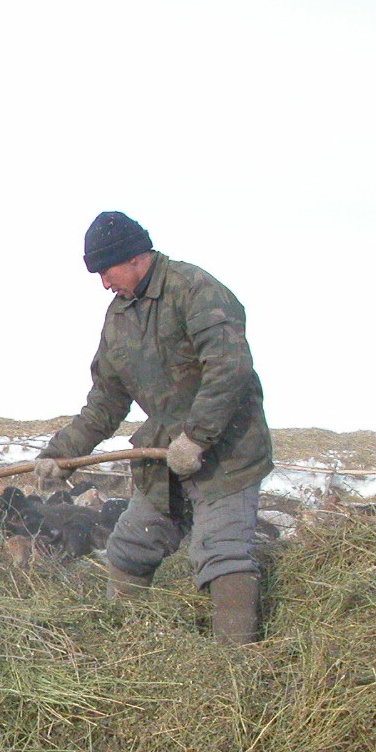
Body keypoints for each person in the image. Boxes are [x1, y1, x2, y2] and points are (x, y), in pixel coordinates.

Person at [33, 212, 272, 644]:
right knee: (129, 546)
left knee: (222, 553)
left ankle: (236, 665)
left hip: (228, 450)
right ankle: (127, 645)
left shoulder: (195, 289)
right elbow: (106, 401)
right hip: (165, 456)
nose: (104, 283)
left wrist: (197, 437)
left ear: (134, 257)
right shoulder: (120, 317)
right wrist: (62, 452)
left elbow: (230, 367)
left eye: (106, 271)